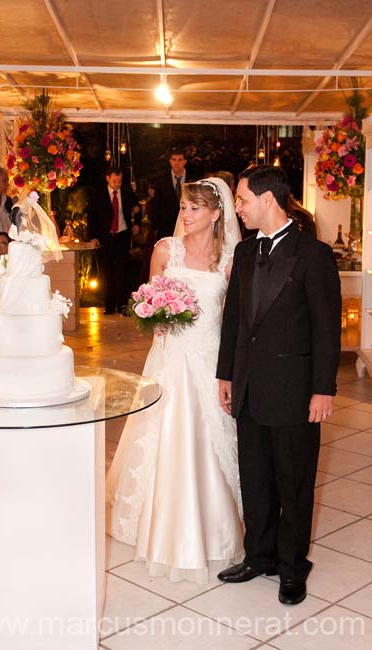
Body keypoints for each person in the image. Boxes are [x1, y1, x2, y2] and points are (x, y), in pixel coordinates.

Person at [106, 178, 244, 584]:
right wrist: (157, 317)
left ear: (216, 214)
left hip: (209, 357)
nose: (185, 215)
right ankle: (157, 527)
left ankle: (217, 530)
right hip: (170, 358)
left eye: (194, 209)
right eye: (184, 207)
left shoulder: (231, 259)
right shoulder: (166, 250)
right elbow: (147, 301)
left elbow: (231, 315)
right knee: (164, 434)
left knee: (212, 436)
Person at [216, 165, 341, 605]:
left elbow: (328, 330)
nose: (238, 208)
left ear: (268, 200)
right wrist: (225, 374)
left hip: (294, 391)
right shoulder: (246, 253)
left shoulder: (314, 255)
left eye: (242, 199)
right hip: (249, 388)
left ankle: (292, 567)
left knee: (294, 482)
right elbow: (233, 319)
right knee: (255, 478)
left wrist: (323, 389)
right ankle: (259, 556)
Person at [87, 166, 141, 315]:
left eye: (120, 181)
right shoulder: (99, 195)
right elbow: (91, 217)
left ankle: (123, 305)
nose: (117, 183)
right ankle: (109, 305)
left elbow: (137, 208)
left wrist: (137, 223)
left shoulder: (127, 192)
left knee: (122, 271)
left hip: (122, 235)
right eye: (115, 180)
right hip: (106, 237)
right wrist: (93, 236)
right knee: (107, 272)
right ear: (108, 178)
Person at [153, 149, 194, 239]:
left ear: (185, 161)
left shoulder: (193, 180)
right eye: (174, 159)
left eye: (180, 160)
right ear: (170, 161)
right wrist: (156, 227)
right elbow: (156, 205)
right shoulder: (161, 180)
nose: (176, 163)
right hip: (166, 228)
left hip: (187, 226)